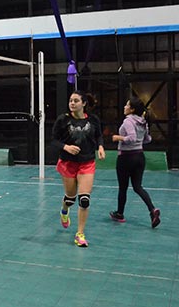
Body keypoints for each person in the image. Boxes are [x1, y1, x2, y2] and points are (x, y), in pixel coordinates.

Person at [52, 90, 105, 248]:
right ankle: (64, 210)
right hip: (68, 163)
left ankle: (80, 234)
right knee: (70, 198)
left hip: (87, 163)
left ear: (83, 104)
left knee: (84, 200)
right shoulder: (63, 120)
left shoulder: (93, 120)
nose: (72, 103)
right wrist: (66, 147)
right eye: (70, 101)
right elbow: (53, 140)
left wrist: (101, 146)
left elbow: (99, 136)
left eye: (76, 101)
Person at [109, 97, 160, 228]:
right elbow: (148, 139)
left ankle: (120, 214)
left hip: (126, 157)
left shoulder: (128, 122)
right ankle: (152, 210)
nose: (124, 107)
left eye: (127, 105)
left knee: (123, 188)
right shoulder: (143, 122)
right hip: (139, 157)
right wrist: (139, 141)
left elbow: (131, 138)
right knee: (138, 187)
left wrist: (118, 137)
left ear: (132, 109)